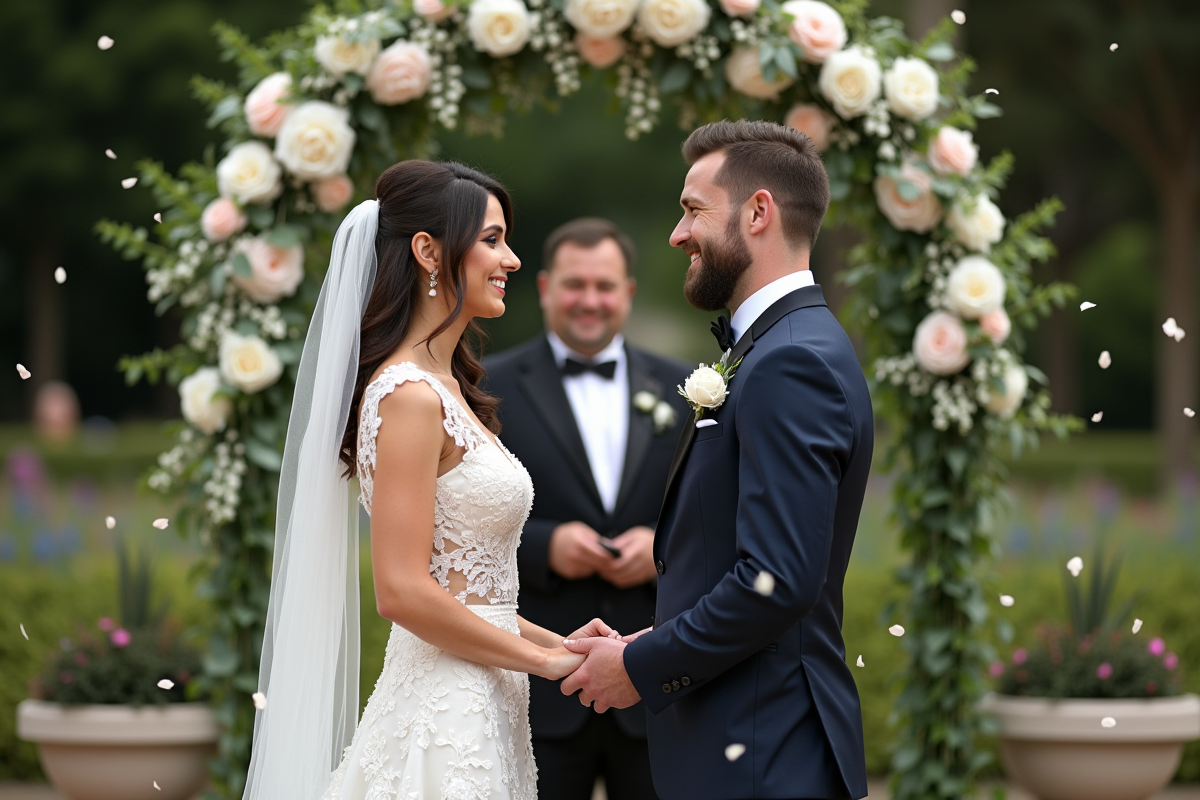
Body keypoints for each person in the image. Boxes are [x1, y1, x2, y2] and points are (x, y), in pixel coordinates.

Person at [242, 160, 616, 800]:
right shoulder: (409, 397)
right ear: (428, 252)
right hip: (445, 712)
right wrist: (544, 662)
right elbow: (404, 593)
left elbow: (472, 596)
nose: (513, 260)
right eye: (493, 240)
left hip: (488, 698)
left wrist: (562, 647)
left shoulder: (450, 389)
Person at [561, 120, 875, 800]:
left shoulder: (789, 361)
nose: (677, 235)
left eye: (692, 209)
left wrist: (641, 665)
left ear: (758, 212)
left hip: (762, 755)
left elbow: (777, 580)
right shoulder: (778, 346)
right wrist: (655, 635)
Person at [485, 218, 691, 799]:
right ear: (546, 288)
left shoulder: (689, 390)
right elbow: (456, 520)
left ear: (627, 292)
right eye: (575, 285)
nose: (589, 301)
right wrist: (547, 546)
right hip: (538, 681)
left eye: (604, 287)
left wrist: (661, 550)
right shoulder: (485, 387)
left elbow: (712, 513)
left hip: (656, 682)